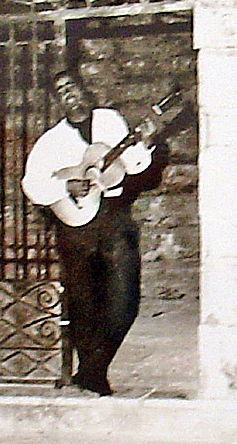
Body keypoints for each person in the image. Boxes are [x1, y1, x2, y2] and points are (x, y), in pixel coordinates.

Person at [21, 69, 160, 396]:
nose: (69, 93)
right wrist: (65, 184)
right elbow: (31, 184)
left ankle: (91, 370)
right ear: (57, 101)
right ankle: (94, 374)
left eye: (72, 86)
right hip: (74, 226)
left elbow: (135, 165)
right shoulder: (51, 141)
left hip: (113, 218)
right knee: (84, 301)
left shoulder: (110, 122)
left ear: (85, 91)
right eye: (60, 90)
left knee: (125, 301)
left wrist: (148, 142)